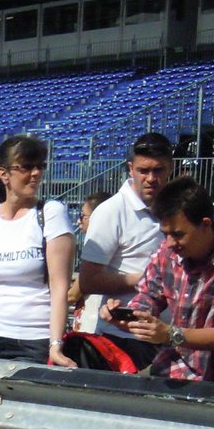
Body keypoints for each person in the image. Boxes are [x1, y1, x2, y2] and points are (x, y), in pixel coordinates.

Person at [107, 176, 214, 385]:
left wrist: (171, 334)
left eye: (178, 234)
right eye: (165, 234)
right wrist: (128, 316)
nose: (169, 243)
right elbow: (149, 295)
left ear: (205, 224)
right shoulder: (168, 252)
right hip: (178, 368)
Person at [0, 135, 76, 367]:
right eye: (27, 167)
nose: (36, 173)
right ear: (4, 174)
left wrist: (55, 345)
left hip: (34, 341)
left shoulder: (50, 213)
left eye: (40, 166)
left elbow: (59, 287)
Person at [77, 132, 175, 364]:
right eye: (143, 170)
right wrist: (144, 279)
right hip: (123, 337)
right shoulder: (111, 211)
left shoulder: (175, 206)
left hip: (168, 333)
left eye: (158, 170)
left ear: (170, 168)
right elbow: (88, 281)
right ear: (131, 169)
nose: (151, 178)